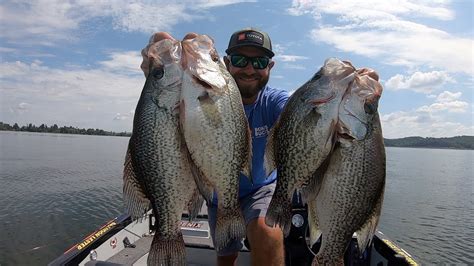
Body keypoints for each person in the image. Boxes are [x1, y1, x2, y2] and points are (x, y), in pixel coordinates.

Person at [141, 28, 288, 266]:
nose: (249, 69)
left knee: (267, 231)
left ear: (270, 67)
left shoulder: (275, 102)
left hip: (259, 188)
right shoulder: (189, 89)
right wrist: (158, 58)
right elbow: (161, 103)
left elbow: (299, 117)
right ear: (227, 64)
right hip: (215, 193)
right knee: (225, 255)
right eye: (240, 60)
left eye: (259, 61)